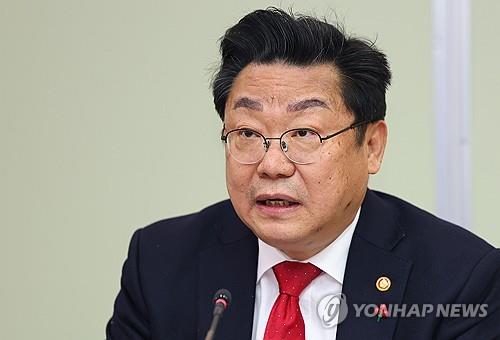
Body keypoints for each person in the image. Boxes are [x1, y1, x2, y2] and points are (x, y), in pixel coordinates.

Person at [106, 7, 500, 340]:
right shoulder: (160, 263)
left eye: (305, 134)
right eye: (247, 133)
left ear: (372, 147)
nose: (272, 165)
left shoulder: (461, 280)